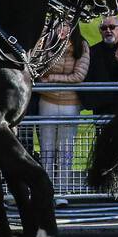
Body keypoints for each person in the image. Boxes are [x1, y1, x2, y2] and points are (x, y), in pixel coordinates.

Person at [37, 26, 91, 177]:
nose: (63, 28)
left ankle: (63, 190)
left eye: (67, 25)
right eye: (60, 24)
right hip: (47, 101)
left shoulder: (82, 45)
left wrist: (52, 79)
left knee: (66, 148)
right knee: (46, 146)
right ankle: (46, 184)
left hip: (70, 104)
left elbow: (78, 76)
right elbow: (39, 69)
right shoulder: (48, 43)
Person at [83, 15, 118, 115]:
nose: (108, 30)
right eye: (103, 28)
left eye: (112, 27)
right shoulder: (92, 52)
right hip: (101, 108)